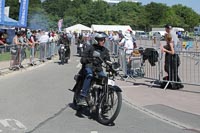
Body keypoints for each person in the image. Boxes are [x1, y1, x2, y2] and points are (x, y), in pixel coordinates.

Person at [78, 32, 111, 106]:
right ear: (96, 40)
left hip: (98, 69)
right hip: (89, 66)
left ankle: (103, 99)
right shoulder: (90, 47)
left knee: (105, 78)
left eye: (103, 40)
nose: (103, 41)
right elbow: (82, 59)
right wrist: (89, 60)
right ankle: (82, 96)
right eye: (101, 40)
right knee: (89, 75)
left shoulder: (104, 50)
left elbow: (108, 60)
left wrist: (112, 65)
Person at [161, 24, 184, 89]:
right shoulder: (173, 33)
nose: (165, 30)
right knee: (173, 71)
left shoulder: (171, 35)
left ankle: (174, 84)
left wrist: (165, 49)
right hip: (174, 55)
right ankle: (177, 83)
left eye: (165, 29)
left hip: (173, 56)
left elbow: (172, 49)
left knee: (171, 70)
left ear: (168, 28)